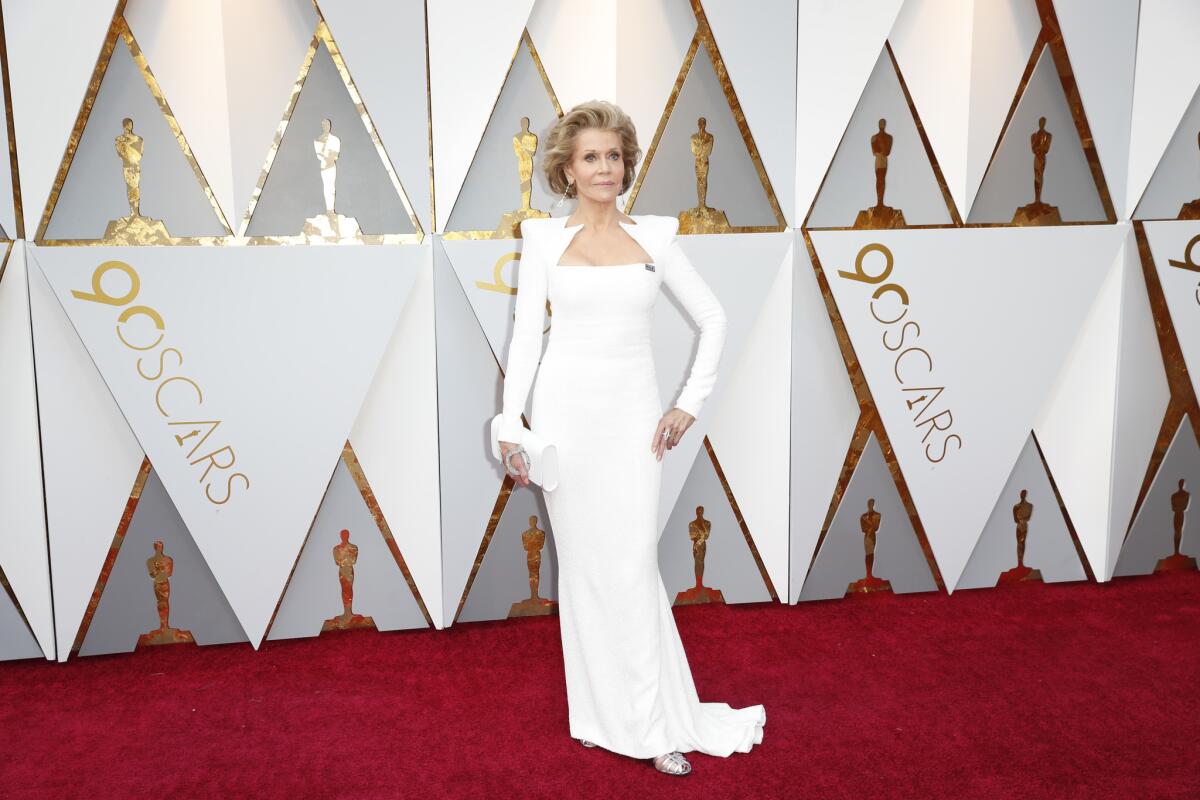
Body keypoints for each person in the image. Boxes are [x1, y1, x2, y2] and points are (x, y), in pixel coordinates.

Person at [495, 100, 765, 776]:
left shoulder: (656, 237)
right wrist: (511, 424)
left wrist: (688, 405)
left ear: (626, 163)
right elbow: (526, 339)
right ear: (567, 166)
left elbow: (714, 317)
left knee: (633, 567)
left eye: (614, 156)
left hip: (634, 423)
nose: (605, 168)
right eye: (591, 156)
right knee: (583, 570)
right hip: (565, 421)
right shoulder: (544, 242)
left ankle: (650, 723)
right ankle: (598, 718)